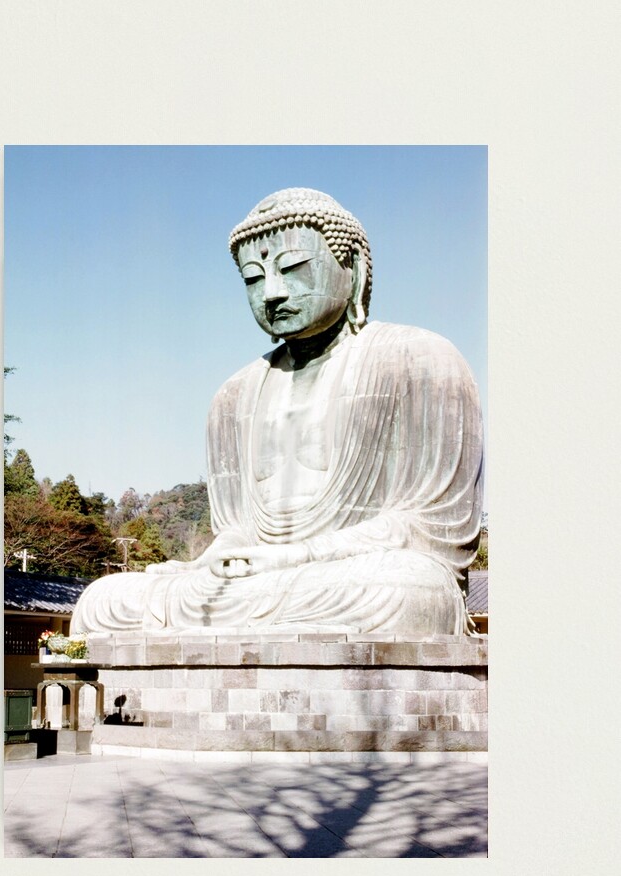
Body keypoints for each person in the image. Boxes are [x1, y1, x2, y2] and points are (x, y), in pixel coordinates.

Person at [71, 188, 483, 636]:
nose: (272, 292)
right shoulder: (233, 397)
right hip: (263, 580)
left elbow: (432, 532)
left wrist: (295, 556)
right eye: (252, 278)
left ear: (356, 268)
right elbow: (237, 530)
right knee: (102, 600)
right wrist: (221, 556)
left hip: (354, 575)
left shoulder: (420, 361)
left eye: (292, 269)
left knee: (412, 589)